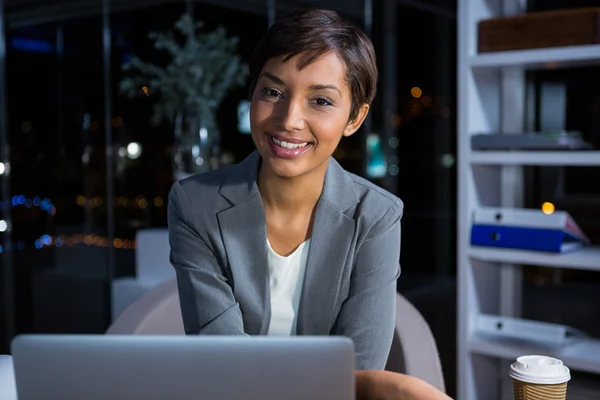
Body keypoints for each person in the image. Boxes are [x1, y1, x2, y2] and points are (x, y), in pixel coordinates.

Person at [168, 8, 451, 400]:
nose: (289, 119)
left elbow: (358, 369)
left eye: (320, 100)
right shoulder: (194, 202)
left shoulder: (377, 216)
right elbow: (222, 361)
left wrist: (396, 386)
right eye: (272, 92)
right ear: (252, 94)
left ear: (354, 118)